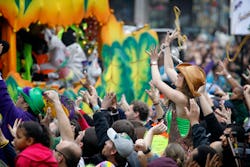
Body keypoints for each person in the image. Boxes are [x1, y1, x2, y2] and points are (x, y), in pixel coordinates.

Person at [147, 30, 206, 153]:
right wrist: (167, 45)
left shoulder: (182, 98)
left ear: (186, 82)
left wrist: (153, 62)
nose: (177, 75)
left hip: (180, 152)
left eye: (180, 75)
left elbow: (157, 82)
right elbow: (168, 68)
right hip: (174, 149)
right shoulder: (184, 91)